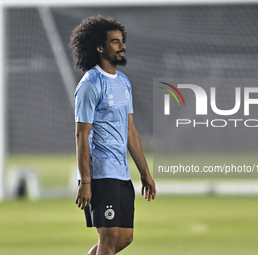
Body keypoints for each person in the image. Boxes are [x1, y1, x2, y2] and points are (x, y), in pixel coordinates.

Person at [70, 15, 156, 255]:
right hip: (100, 173)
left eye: (122, 41)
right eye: (115, 42)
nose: (122, 46)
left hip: (121, 172)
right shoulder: (90, 85)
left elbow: (130, 131)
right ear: (100, 47)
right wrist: (86, 182)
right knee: (109, 237)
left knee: (125, 237)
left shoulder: (123, 83)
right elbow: (81, 136)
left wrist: (145, 173)